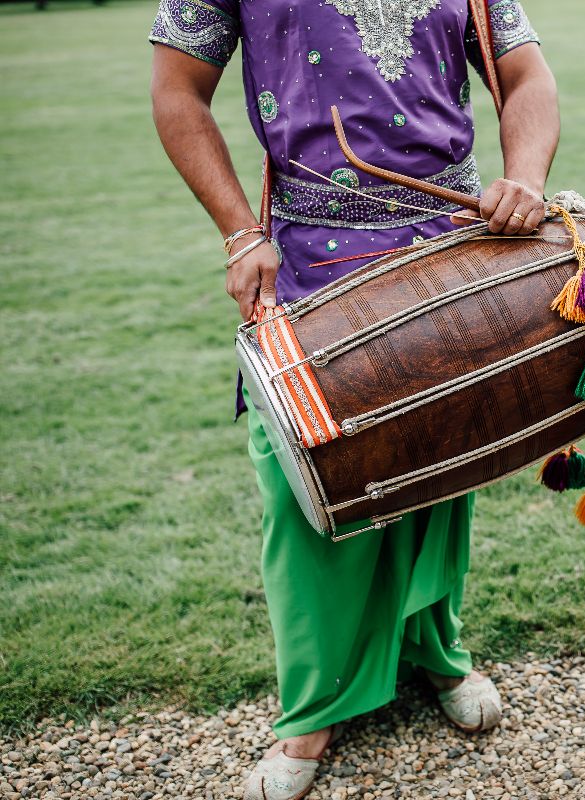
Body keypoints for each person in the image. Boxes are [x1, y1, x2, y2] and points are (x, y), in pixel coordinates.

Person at [148, 0, 558, 795]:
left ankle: (435, 654)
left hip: (451, 249)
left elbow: (524, 71)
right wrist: (239, 230)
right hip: (309, 262)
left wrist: (527, 177)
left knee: (441, 472)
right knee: (301, 485)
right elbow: (176, 89)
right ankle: (310, 712)